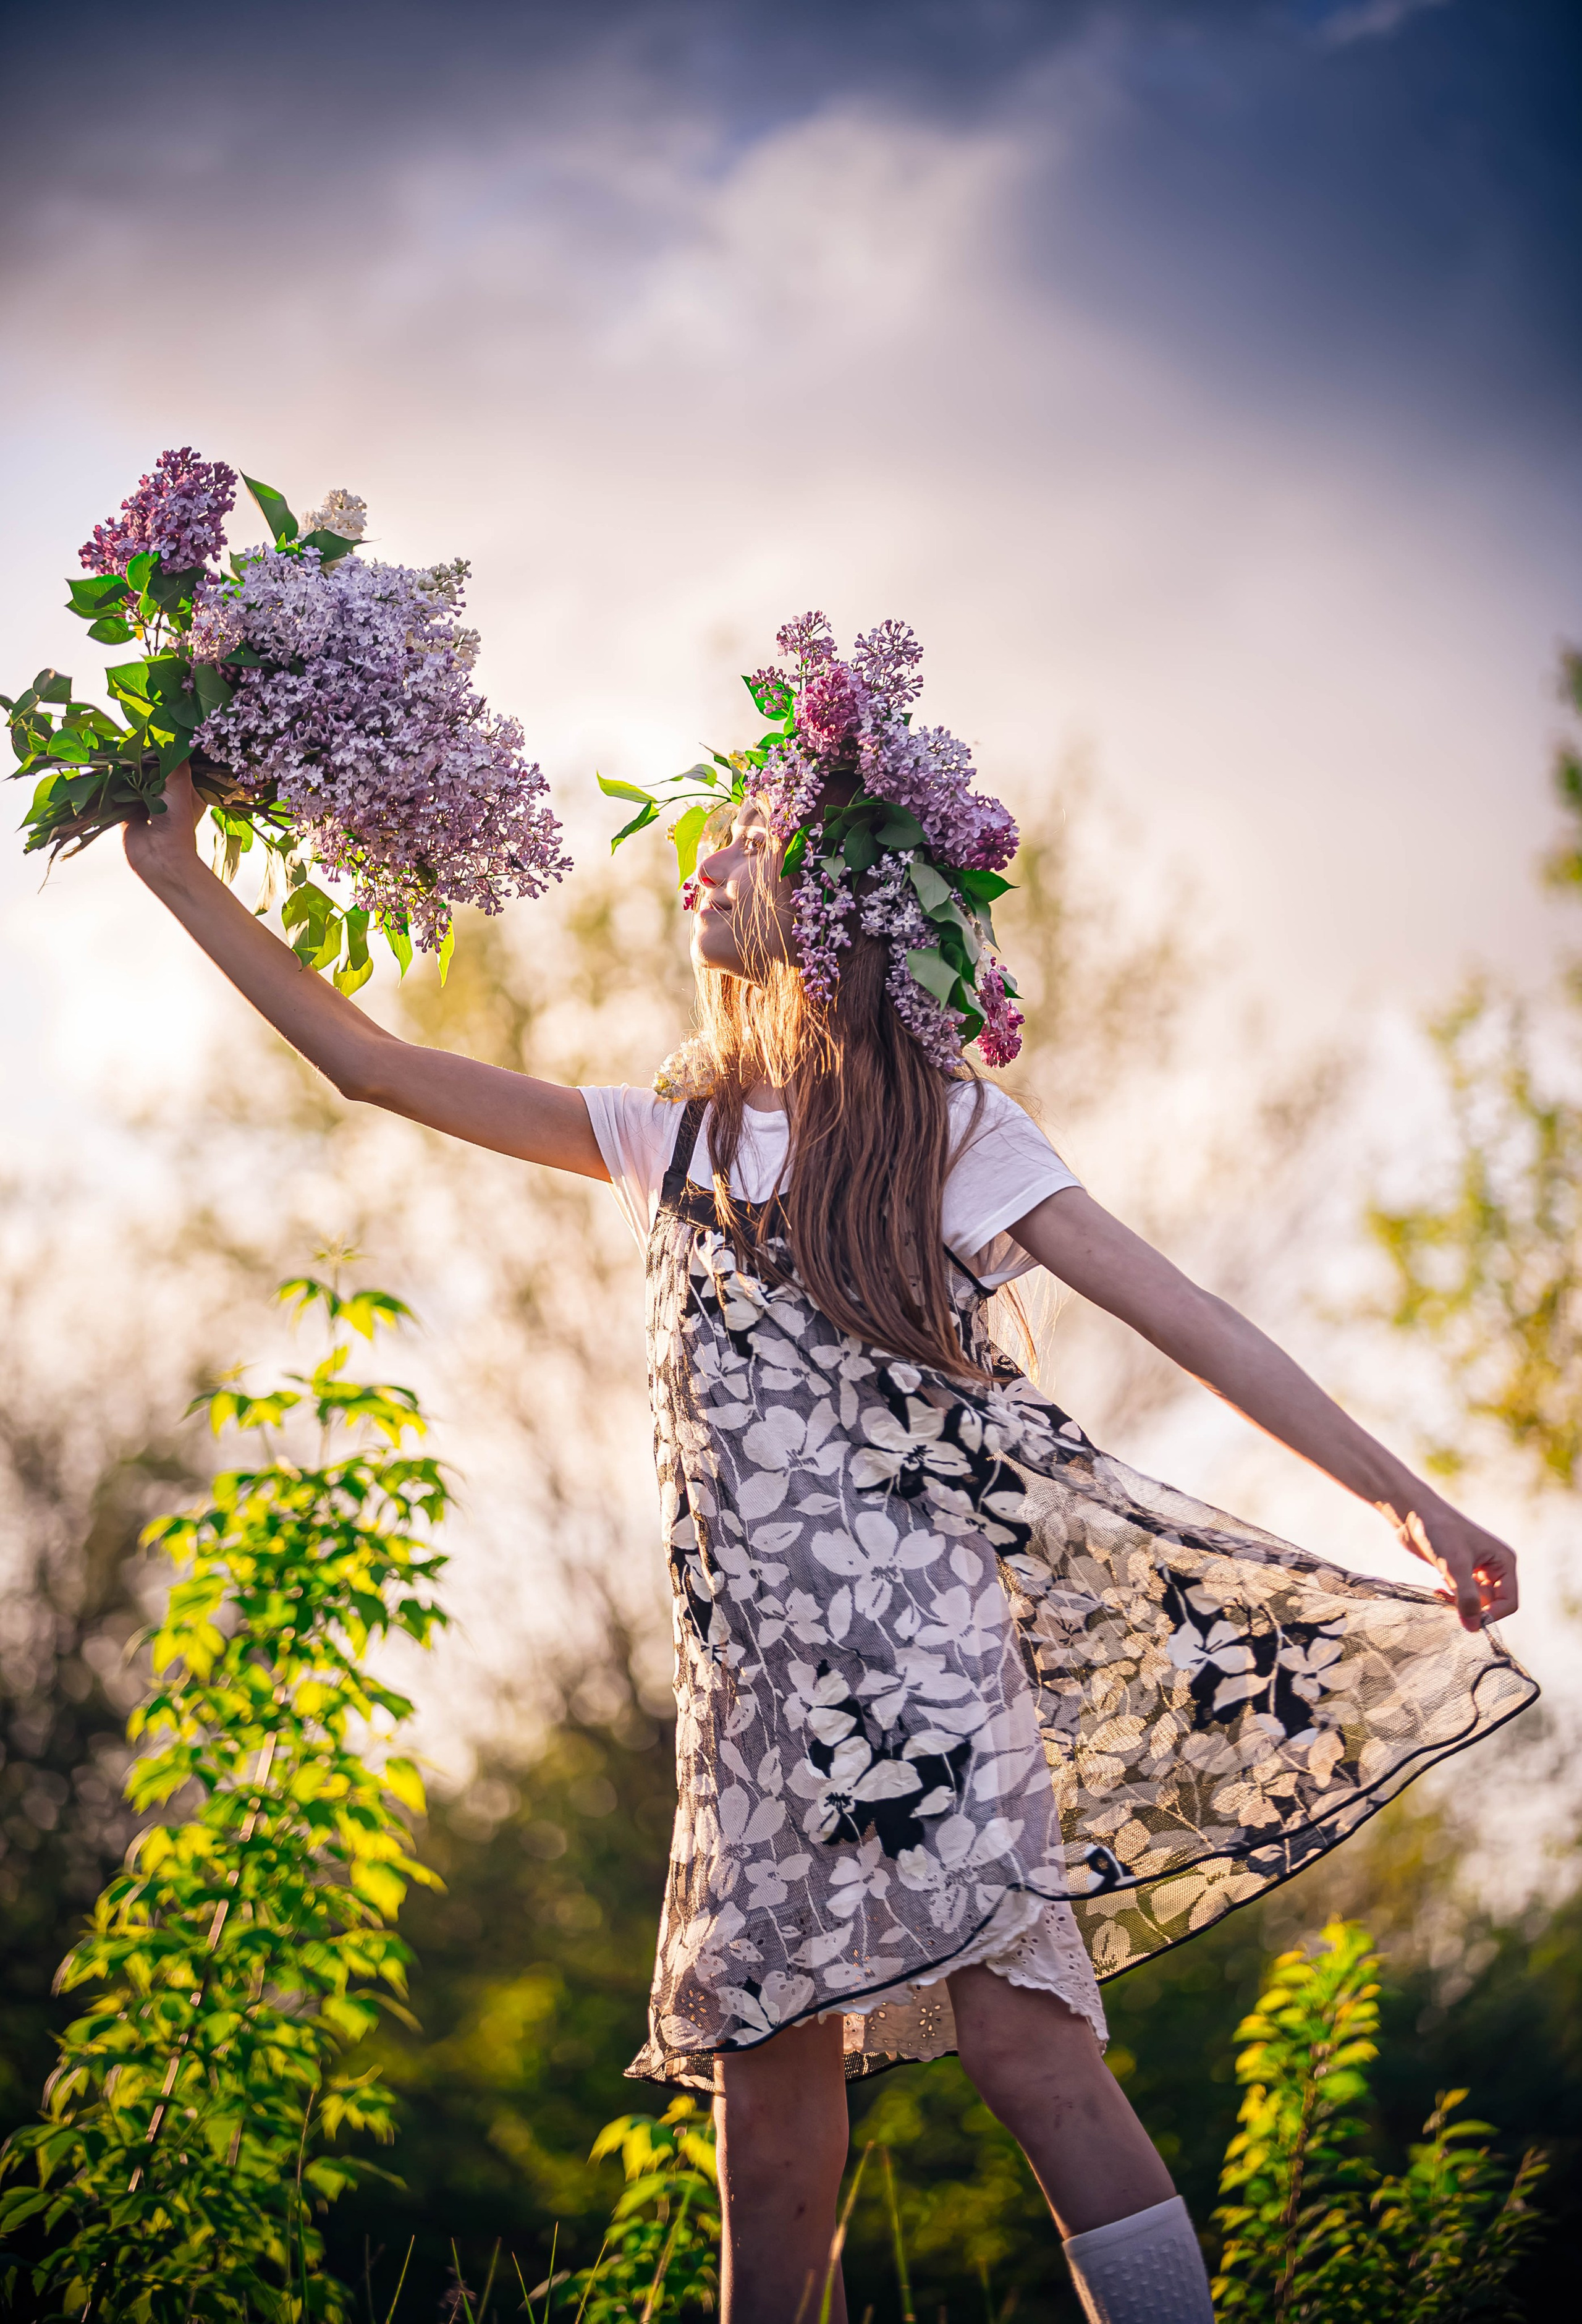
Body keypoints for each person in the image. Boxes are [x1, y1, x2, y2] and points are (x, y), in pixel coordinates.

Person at [124, 614, 1534, 2324]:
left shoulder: (948, 1131)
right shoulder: (675, 1138)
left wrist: (1409, 1501)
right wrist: (177, 871)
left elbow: (1193, 1319)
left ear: (838, 906)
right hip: (753, 1695)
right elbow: (374, 1068)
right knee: (770, 2137)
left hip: (925, 1668)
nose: (699, 872)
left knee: (1028, 2052)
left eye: (741, 851)